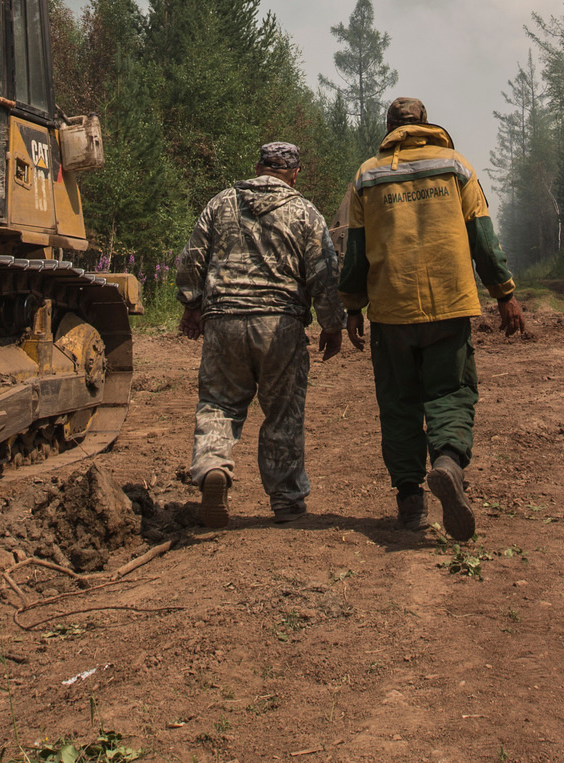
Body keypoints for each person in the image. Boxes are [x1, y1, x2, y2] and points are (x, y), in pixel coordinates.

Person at [338, 96, 526, 541]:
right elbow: (482, 235)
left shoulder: (368, 175)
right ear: (426, 124)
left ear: (388, 129)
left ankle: (410, 502)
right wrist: (505, 294)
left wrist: (351, 306)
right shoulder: (456, 165)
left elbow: (355, 250)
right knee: (451, 391)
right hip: (450, 302)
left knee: (399, 403)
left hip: (392, 309)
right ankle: (446, 462)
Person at [173, 141, 344, 527]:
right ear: (294, 172)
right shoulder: (305, 211)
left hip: (224, 322)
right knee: (283, 412)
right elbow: (325, 272)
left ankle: (214, 467)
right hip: (279, 325)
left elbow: (192, 258)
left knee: (219, 403)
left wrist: (191, 304)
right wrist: (333, 325)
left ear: (258, 167)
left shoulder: (221, 203)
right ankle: (285, 500)